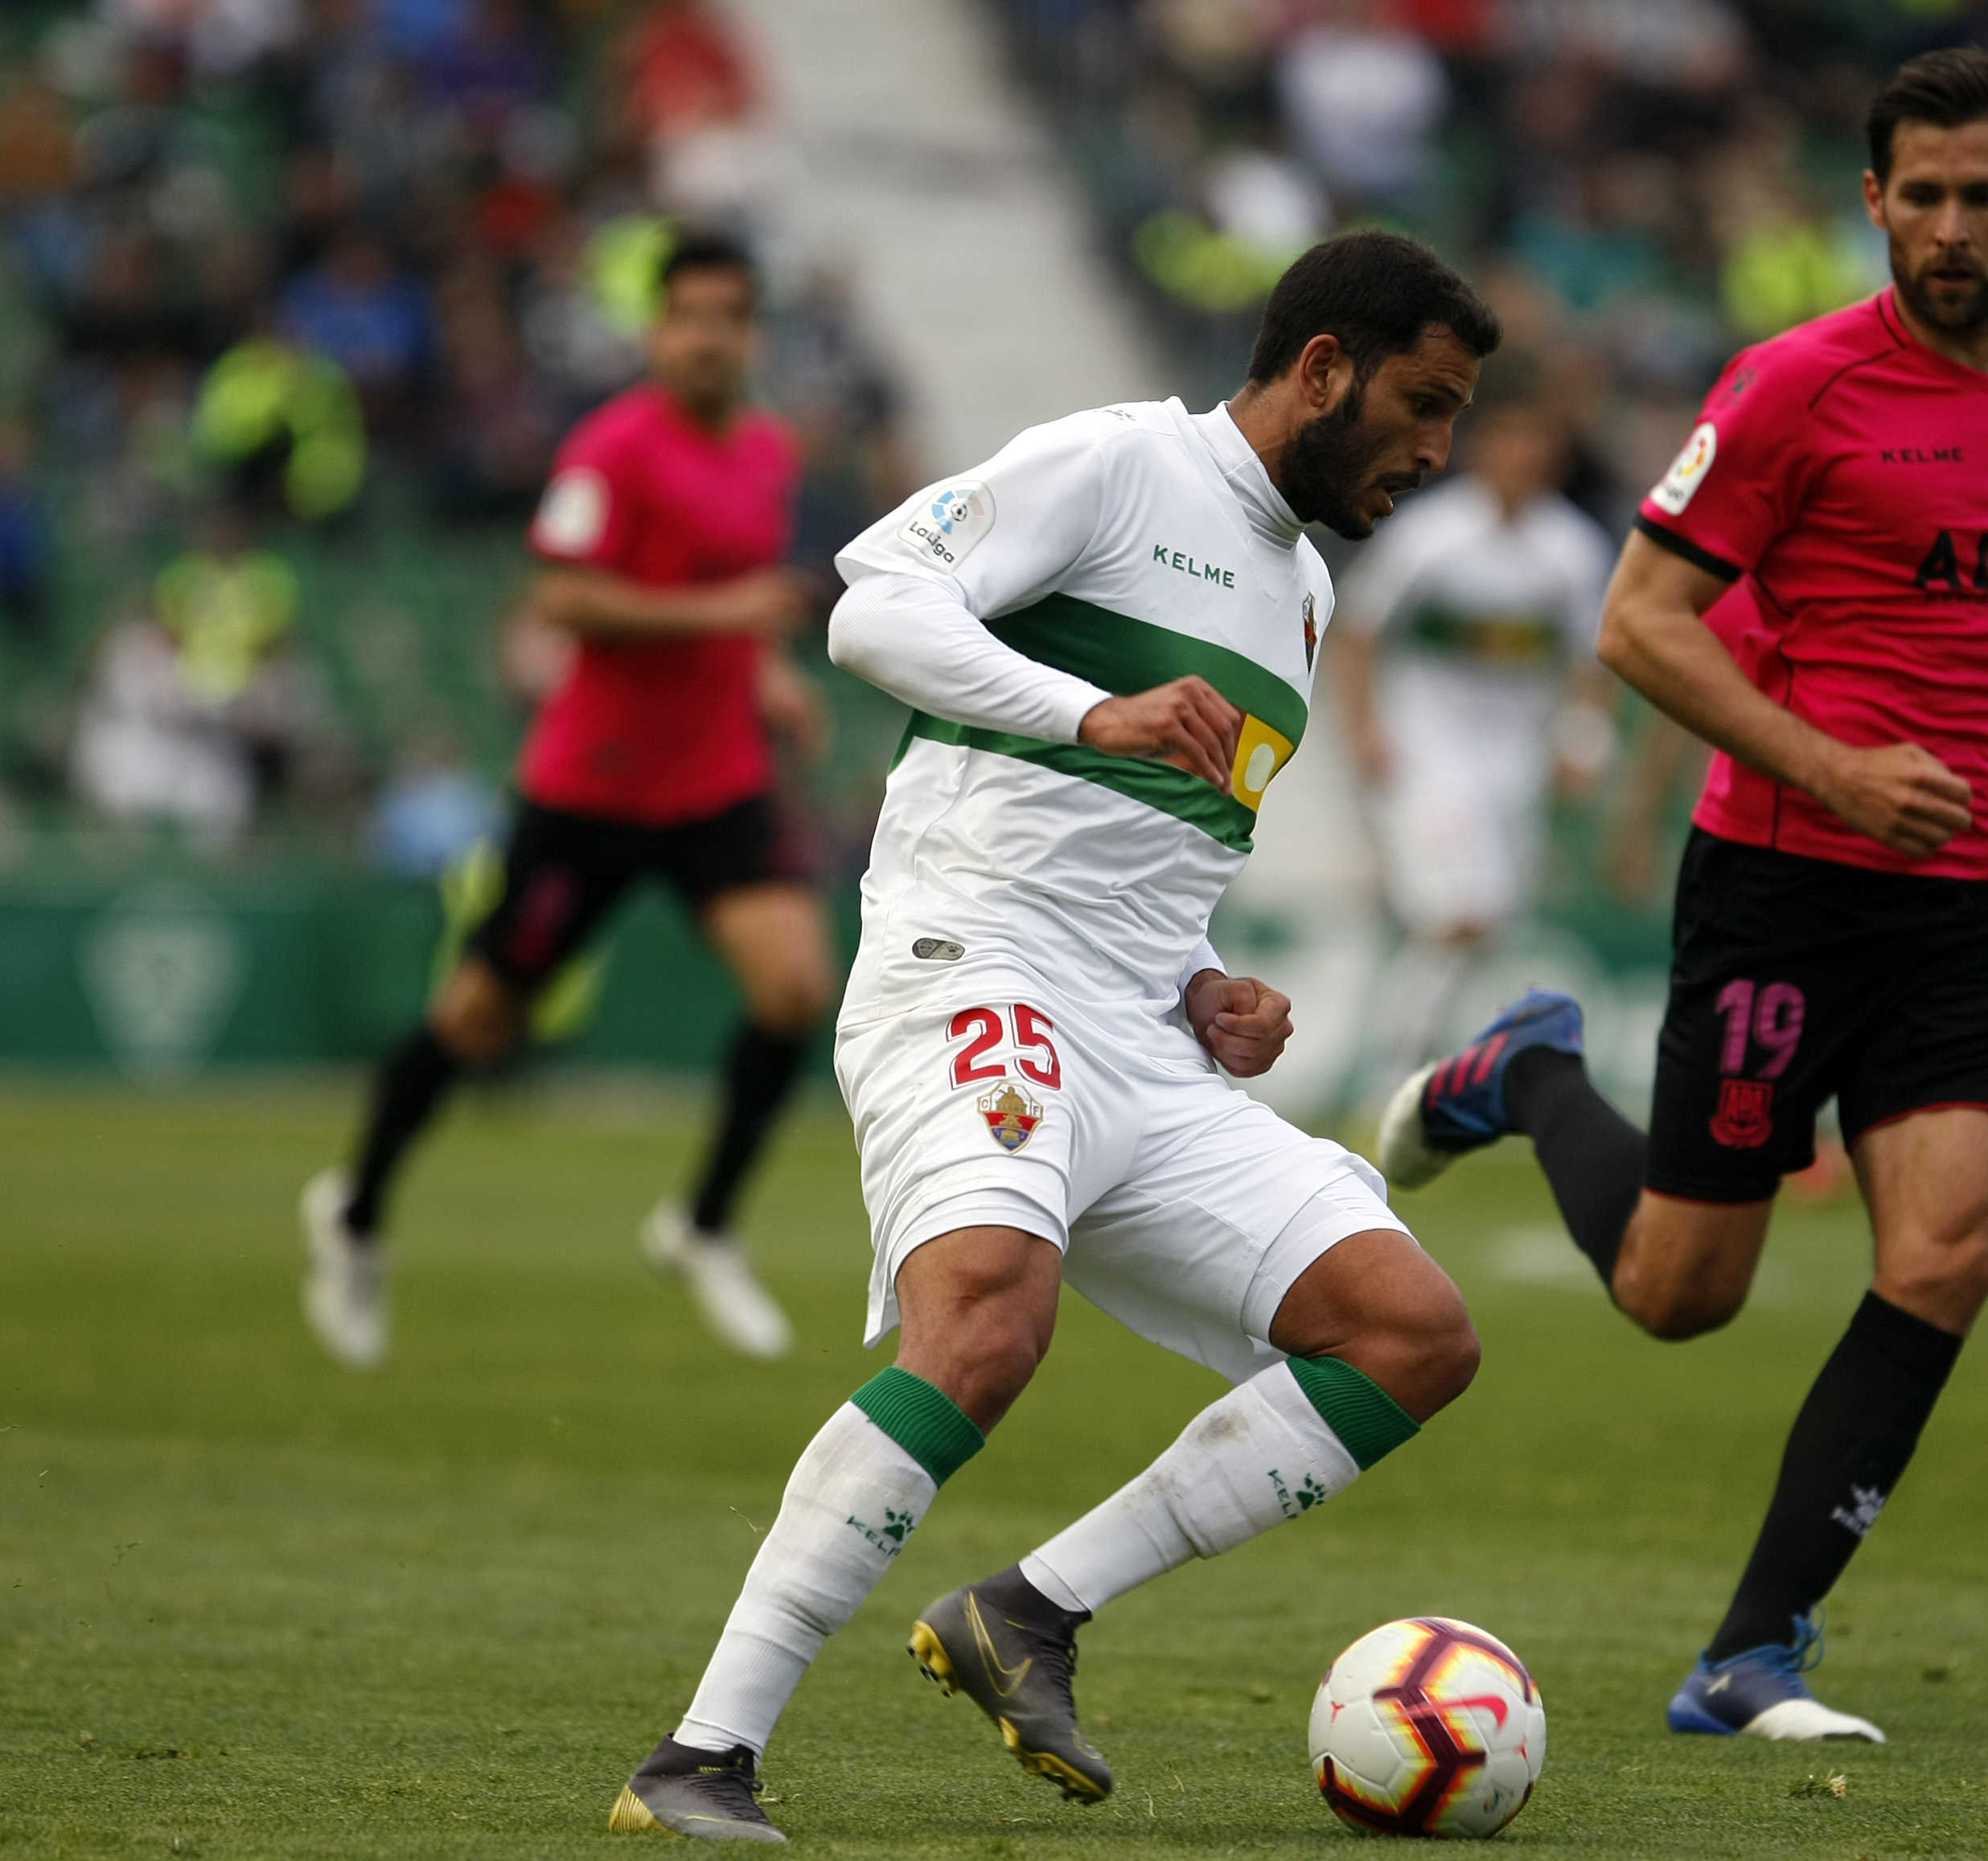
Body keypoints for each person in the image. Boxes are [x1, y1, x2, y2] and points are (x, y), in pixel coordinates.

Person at [606, 230, 1497, 1843]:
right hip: (969, 965)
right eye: (1420, 406)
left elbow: (1146, 848)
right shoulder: (1113, 463)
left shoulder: (1299, 594)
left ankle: (1028, 1610)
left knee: (1408, 1329)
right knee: (987, 1314)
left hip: (1140, 1040)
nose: (1434, 454)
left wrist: (1203, 977)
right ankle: (698, 1755)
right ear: (1319, 371)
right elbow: (872, 606)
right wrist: (1082, 703)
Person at [1380, 51, 1988, 1744]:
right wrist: (1830, 769)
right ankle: (1525, 1073)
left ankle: (1749, 1649)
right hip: (1777, 883)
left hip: (1965, 896)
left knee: (1948, 1250)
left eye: (1982, 195)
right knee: (1682, 1293)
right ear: (1871, 201)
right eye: (1921, 195)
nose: (1951, 226)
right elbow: (1635, 624)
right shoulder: (1789, 386)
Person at [299, 229, 833, 1370]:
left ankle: (702, 1223)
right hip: (588, 790)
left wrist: (770, 678)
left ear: (749, 333)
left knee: (793, 986)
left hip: (713, 782)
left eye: (728, 316)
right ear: (655, 330)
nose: (707, 336)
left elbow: (724, 606)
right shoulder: (611, 450)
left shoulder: (765, 453)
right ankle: (352, 1214)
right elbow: (562, 597)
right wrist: (732, 621)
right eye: (687, 315)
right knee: (477, 1020)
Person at [1335, 372, 1620, 1074]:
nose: (1526, 455)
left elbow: (1593, 660)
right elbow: (1358, 628)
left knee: (1486, 924)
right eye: (1513, 439)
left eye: (1539, 443)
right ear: (1483, 448)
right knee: (1453, 913)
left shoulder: (1572, 550)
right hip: (1426, 751)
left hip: (1512, 761)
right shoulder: (1430, 537)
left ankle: (1420, 1064)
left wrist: (1581, 740)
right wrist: (1365, 728)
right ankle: (1395, 1075)